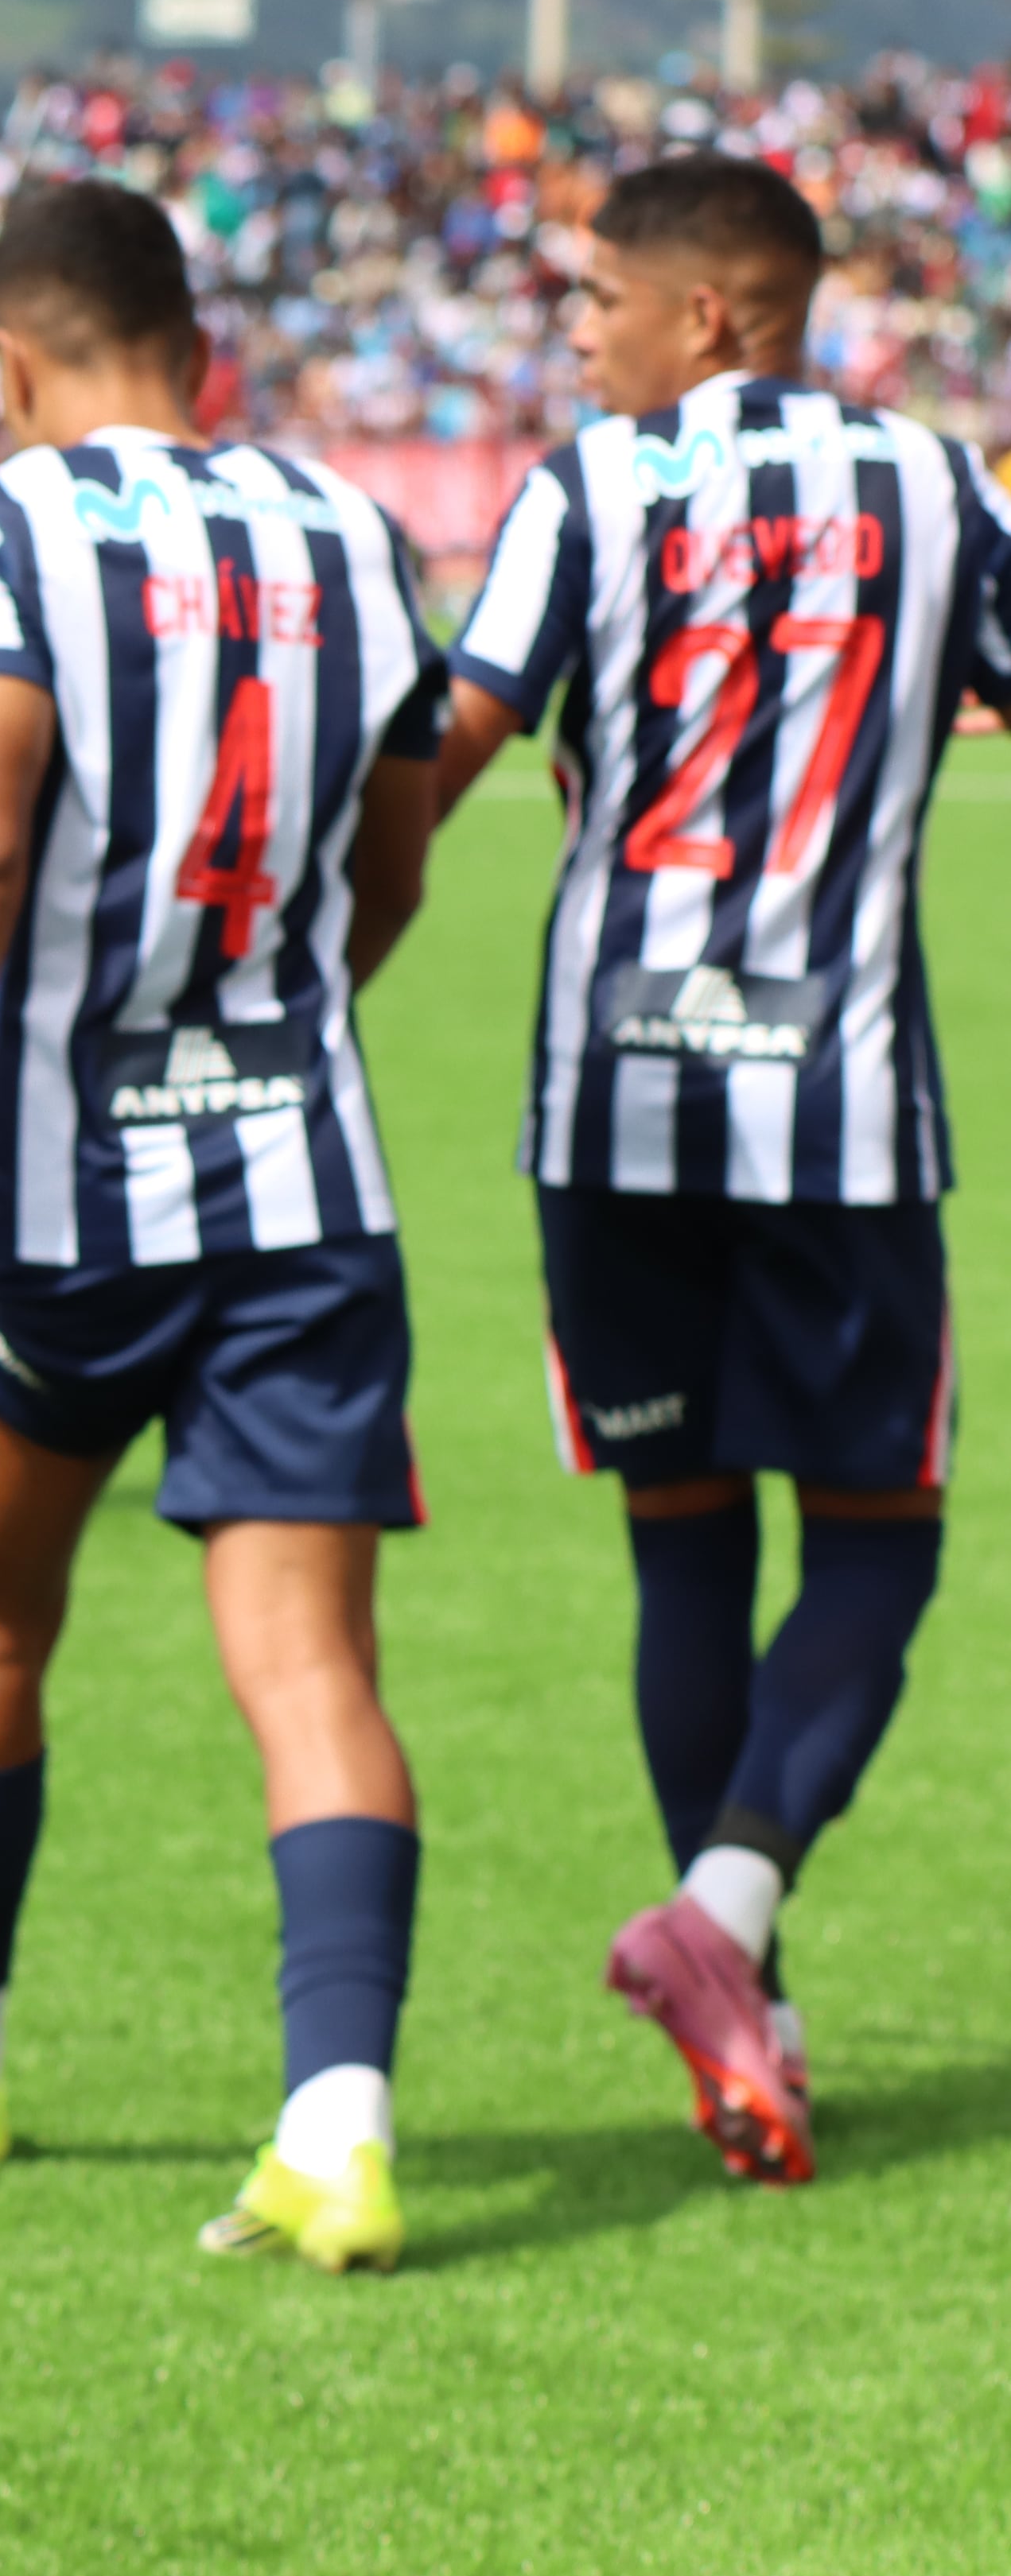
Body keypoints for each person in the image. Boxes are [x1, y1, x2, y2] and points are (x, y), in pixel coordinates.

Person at [0, 180, 447, 2272]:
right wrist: (282, 1021)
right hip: (303, 1183)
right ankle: (338, 2127)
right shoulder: (354, 526)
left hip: (54, 1200)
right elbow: (399, 832)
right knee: (311, 1665)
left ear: (12, 354)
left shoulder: (2, 524)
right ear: (200, 336)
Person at [430, 154, 1011, 2187]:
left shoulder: (586, 490)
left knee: (683, 1539)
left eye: (597, 297)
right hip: (840, 1111)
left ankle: (734, 1984)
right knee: (878, 1539)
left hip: (611, 1108)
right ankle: (731, 1916)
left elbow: (452, 741)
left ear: (718, 317)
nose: (572, 331)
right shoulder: (938, 489)